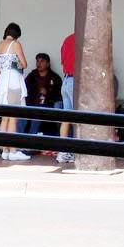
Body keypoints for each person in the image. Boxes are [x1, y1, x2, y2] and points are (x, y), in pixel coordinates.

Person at [0, 22, 29, 161]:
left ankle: (5, 150)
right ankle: (13, 150)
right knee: (13, 117)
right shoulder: (15, 44)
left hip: (2, 80)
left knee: (5, 118)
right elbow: (24, 64)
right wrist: (19, 65)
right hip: (13, 81)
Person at [21, 53, 62, 136]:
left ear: (48, 64)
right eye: (37, 61)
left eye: (42, 61)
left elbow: (58, 96)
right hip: (33, 105)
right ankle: (22, 138)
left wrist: (48, 93)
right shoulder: (31, 76)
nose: (39, 63)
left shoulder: (55, 77)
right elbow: (25, 93)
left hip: (48, 105)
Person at [57, 33, 76, 164]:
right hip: (76, 81)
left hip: (66, 80)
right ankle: (76, 151)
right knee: (79, 118)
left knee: (66, 118)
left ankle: (62, 152)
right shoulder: (84, 40)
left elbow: (63, 61)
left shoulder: (67, 39)